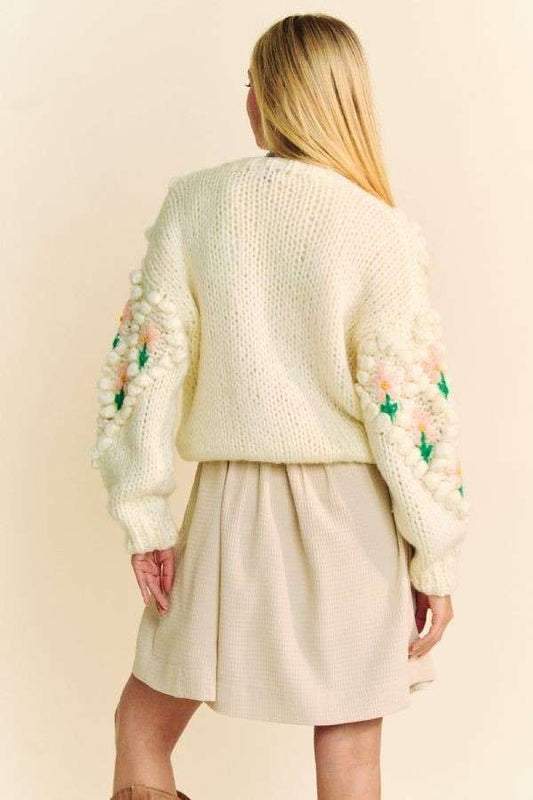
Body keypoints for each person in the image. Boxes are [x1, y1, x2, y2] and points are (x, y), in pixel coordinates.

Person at [89, 13, 470, 800]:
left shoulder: (195, 205)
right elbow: (406, 412)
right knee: (349, 756)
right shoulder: (377, 229)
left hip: (228, 505)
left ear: (265, 96)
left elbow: (146, 367)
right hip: (355, 519)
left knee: (141, 725)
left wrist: (146, 515)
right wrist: (433, 553)